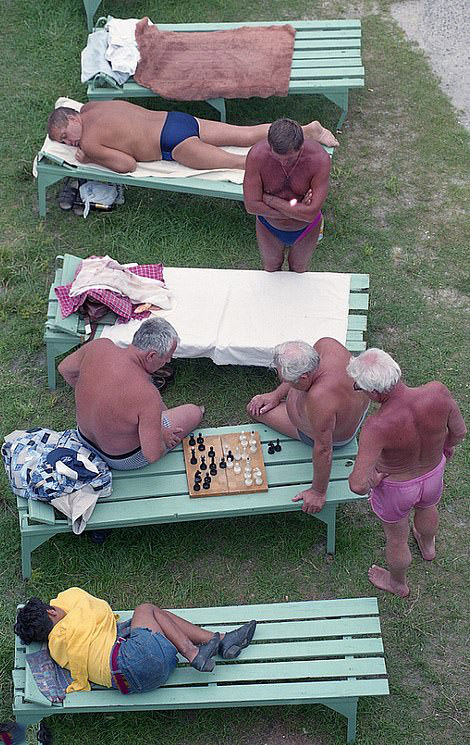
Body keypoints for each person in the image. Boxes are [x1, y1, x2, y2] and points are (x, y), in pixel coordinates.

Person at [347, 348, 466, 598]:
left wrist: (373, 480)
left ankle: (398, 583)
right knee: (427, 508)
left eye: (360, 387)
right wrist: (446, 446)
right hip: (432, 473)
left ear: (376, 394)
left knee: (397, 540)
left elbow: (358, 485)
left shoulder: (376, 427)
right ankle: (429, 547)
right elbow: (459, 431)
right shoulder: (438, 392)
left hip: (396, 488)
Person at [14, 587, 257, 693]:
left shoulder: (58, 649)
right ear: (51, 612)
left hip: (142, 681)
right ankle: (195, 654)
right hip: (135, 657)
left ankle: (223, 641)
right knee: (146, 609)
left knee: (159, 617)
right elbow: (99, 607)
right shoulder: (75, 618)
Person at [58, 317, 204, 470]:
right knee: (193, 412)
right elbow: (152, 454)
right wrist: (160, 437)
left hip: (84, 437)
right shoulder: (147, 394)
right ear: (151, 356)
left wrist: (90, 393)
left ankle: (152, 425)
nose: (168, 362)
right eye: (167, 357)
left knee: (154, 410)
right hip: (119, 459)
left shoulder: (98, 346)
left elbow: (64, 369)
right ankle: (192, 413)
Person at [47, 101, 338, 174]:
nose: (68, 144)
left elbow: (127, 165)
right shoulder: (90, 107)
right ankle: (308, 130)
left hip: (172, 144)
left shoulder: (88, 142)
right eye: (63, 143)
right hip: (175, 119)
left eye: (65, 136)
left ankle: (296, 162)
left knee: (239, 163)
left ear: (73, 117)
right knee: (245, 134)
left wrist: (91, 156)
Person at [247, 338, 369, 513]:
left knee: (255, 410)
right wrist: (275, 395)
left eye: (291, 382)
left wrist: (318, 492)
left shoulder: (320, 399)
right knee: (269, 402)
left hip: (337, 436)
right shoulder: (326, 345)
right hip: (350, 409)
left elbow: (324, 449)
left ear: (304, 377)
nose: (288, 384)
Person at [243, 118, 334, 272]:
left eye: (291, 159)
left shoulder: (319, 159)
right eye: (277, 157)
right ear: (270, 146)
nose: (283, 164)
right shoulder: (257, 155)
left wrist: (268, 199)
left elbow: (310, 214)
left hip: (306, 228)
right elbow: (251, 206)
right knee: (271, 269)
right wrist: (296, 210)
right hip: (268, 226)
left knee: (298, 270)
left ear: (301, 146)